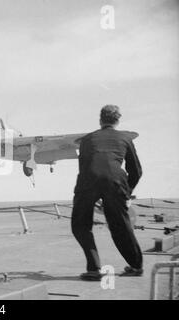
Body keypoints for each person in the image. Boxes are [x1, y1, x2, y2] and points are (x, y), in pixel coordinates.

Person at [71, 105, 143, 281]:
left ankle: (94, 268)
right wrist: (126, 193)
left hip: (88, 180)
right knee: (120, 226)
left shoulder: (87, 140)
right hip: (116, 181)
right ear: (117, 121)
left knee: (80, 224)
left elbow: (84, 167)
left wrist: (87, 193)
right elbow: (136, 171)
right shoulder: (125, 138)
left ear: (100, 120)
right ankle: (135, 266)